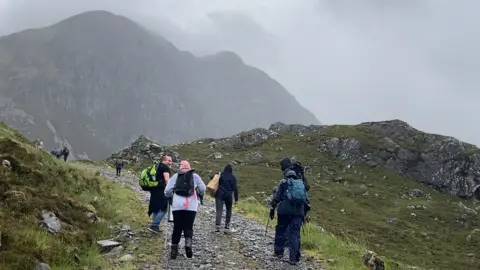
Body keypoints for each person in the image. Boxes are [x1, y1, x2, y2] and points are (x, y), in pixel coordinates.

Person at [165, 160, 206, 259]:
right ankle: (188, 244)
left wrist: (170, 196)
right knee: (188, 226)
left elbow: (167, 191)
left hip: (177, 206)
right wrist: (200, 194)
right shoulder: (195, 176)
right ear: (189, 167)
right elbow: (203, 188)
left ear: (180, 167)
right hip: (191, 206)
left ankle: (174, 250)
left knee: (177, 227)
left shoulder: (175, 176)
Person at [270, 170, 310, 265]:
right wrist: (303, 214)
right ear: (295, 176)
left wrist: (272, 209)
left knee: (281, 230)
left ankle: (278, 252)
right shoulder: (301, 184)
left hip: (284, 211)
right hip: (298, 213)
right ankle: (294, 258)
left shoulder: (283, 183)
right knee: (295, 234)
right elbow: (307, 200)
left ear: (286, 176)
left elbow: (277, 197)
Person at [147, 155, 172, 233]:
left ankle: (154, 227)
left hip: (154, 189)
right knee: (164, 208)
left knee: (156, 207)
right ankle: (154, 225)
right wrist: (170, 190)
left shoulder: (156, 166)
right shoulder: (165, 167)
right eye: (169, 160)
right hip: (161, 190)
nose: (171, 162)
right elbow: (167, 180)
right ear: (164, 160)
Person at [214, 164, 239, 232]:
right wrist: (236, 198)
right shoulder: (233, 177)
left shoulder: (220, 174)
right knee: (229, 210)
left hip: (219, 194)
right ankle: (227, 227)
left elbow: (213, 179)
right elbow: (235, 189)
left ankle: (217, 227)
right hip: (228, 195)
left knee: (219, 210)